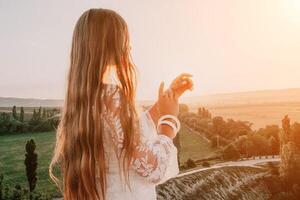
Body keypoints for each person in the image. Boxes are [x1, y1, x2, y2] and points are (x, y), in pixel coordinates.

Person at [49, 8, 193, 200]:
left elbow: (125, 136)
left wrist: (162, 105)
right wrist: (168, 122)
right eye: (124, 38)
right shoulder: (112, 96)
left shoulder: (84, 99)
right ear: (108, 44)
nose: (130, 46)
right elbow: (154, 169)